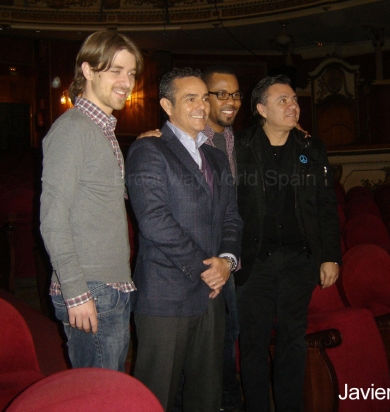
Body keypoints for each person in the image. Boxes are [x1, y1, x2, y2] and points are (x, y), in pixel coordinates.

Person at [126, 67, 243, 412]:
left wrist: (228, 261)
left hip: (212, 294)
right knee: (156, 396)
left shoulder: (217, 157)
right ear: (167, 105)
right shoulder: (149, 151)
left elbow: (232, 218)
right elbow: (154, 221)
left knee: (206, 396)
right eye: (190, 98)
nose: (202, 106)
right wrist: (205, 267)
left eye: (205, 98)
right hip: (166, 297)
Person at [234, 75, 341, 412]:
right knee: (253, 344)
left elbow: (325, 206)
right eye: (282, 100)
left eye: (294, 99)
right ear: (261, 109)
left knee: (292, 341)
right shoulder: (238, 147)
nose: (293, 105)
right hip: (254, 263)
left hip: (299, 261)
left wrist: (330, 256)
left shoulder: (311, 148)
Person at [39, 31, 143, 371]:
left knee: (105, 390)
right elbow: (53, 219)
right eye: (116, 71)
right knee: (97, 396)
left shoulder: (101, 130)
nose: (126, 82)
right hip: (90, 289)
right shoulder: (73, 130)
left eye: (131, 73)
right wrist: (76, 292)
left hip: (109, 285)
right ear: (87, 70)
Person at [201, 65, 244, 412]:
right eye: (222, 93)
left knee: (230, 337)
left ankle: (227, 401)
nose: (231, 101)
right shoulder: (191, 139)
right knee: (210, 344)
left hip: (233, 256)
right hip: (207, 261)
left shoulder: (233, 140)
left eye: (235, 94)